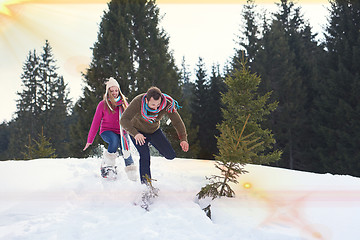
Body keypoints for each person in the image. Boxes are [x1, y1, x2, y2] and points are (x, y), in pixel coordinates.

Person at [120, 86, 189, 183]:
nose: (156, 107)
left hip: (154, 131)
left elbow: (177, 122)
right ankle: (146, 186)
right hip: (138, 132)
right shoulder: (138, 101)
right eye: (153, 105)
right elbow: (123, 120)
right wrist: (135, 134)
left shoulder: (166, 104)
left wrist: (183, 139)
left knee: (170, 155)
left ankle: (151, 143)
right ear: (147, 101)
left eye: (158, 104)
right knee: (145, 156)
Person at [83, 77, 137, 180]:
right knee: (114, 140)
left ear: (119, 91)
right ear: (108, 92)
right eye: (112, 91)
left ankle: (133, 178)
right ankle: (107, 166)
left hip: (122, 132)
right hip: (107, 131)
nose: (114, 93)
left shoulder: (124, 104)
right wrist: (89, 140)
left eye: (116, 90)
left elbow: (133, 120)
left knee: (126, 152)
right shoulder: (103, 105)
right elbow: (95, 123)